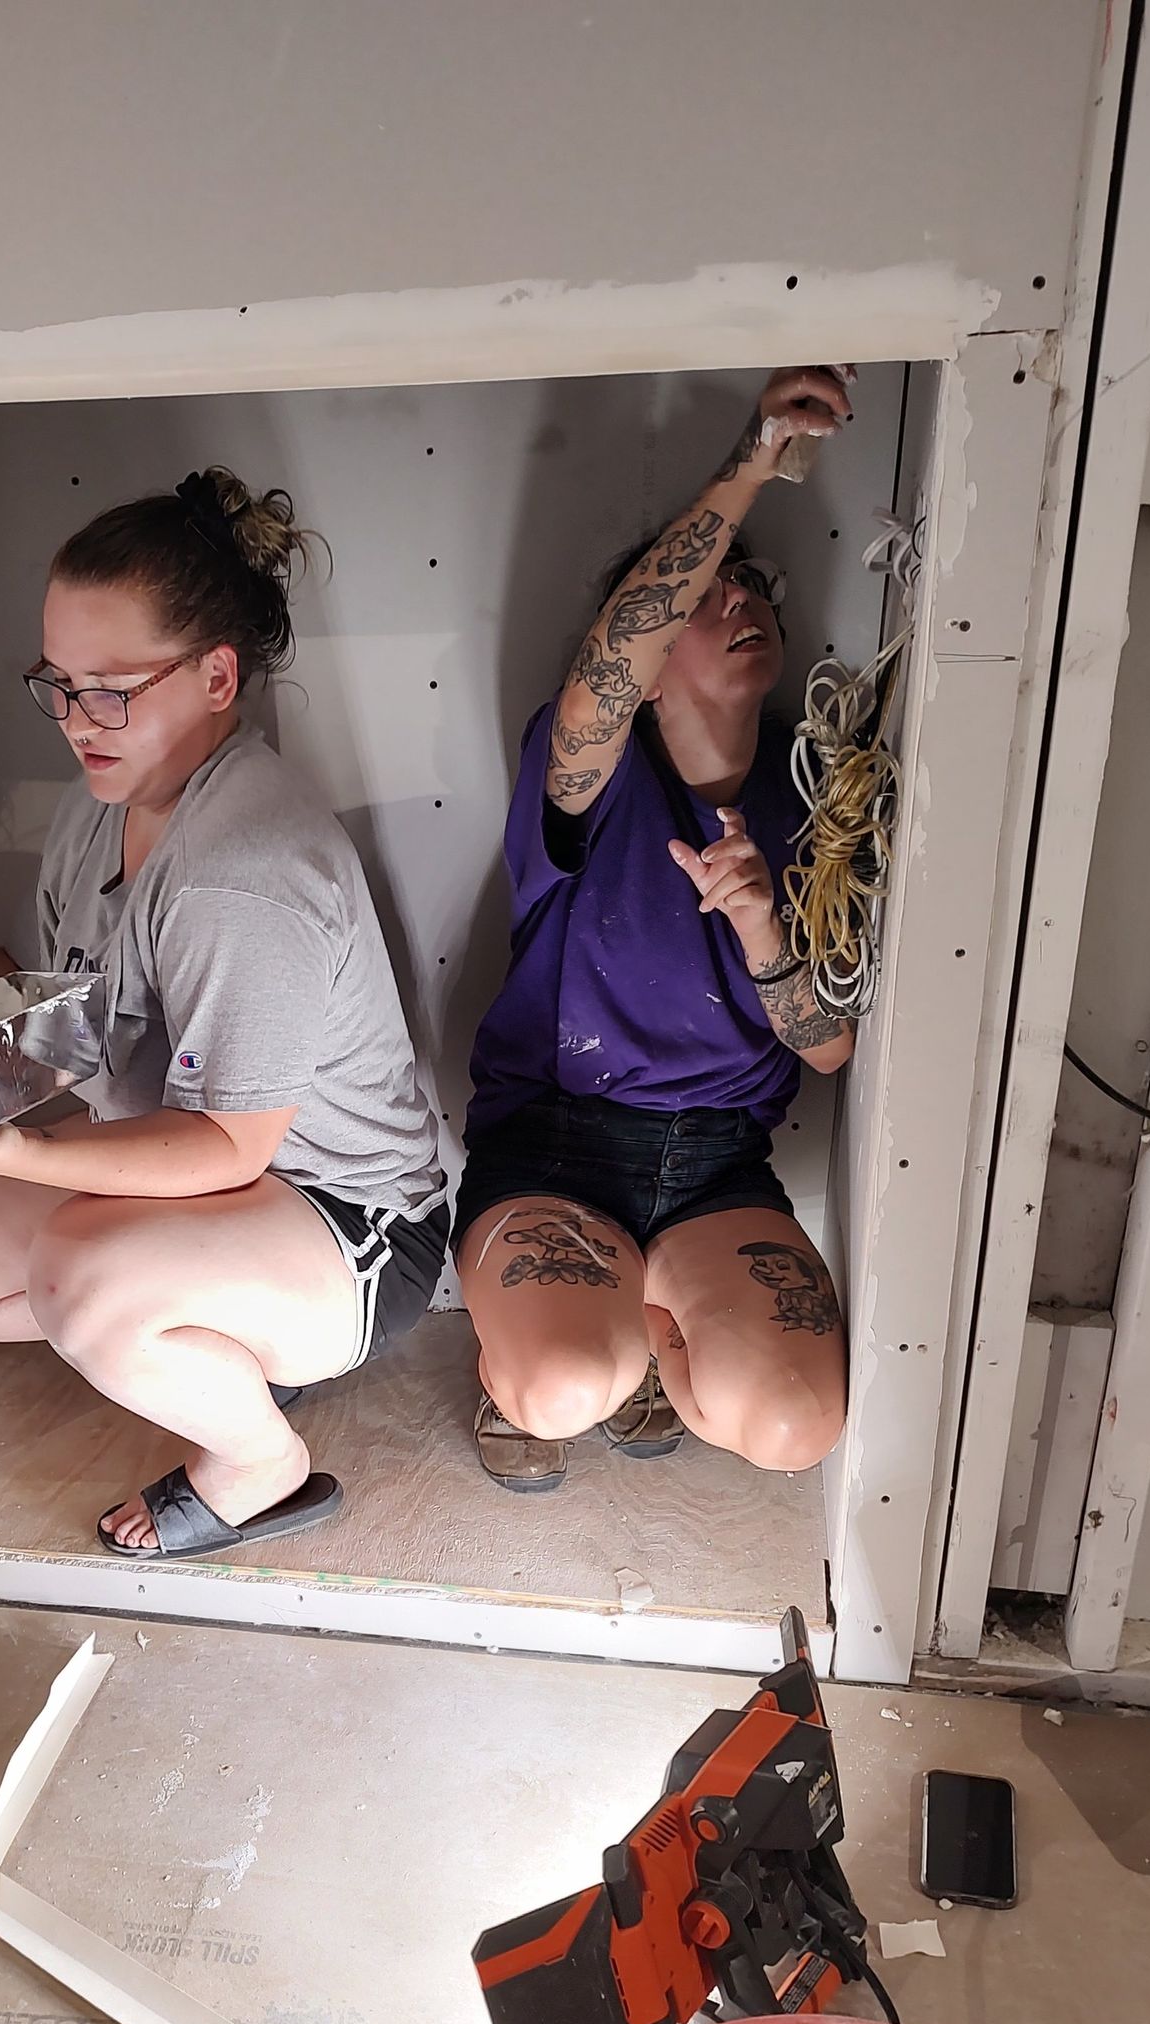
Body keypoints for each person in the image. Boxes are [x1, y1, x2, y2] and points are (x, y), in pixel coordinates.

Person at [0, 467, 448, 1557]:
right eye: (59, 683)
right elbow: (82, 1016)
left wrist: (25, 1156)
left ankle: (258, 1460)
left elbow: (229, 1146)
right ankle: (209, 1340)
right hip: (205, 1172)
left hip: (344, 1218)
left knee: (78, 1272)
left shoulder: (241, 873)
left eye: (112, 690)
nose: (77, 721)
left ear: (217, 674)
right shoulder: (103, 807)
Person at [452, 368, 857, 1493]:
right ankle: (574, 1352)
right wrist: (754, 463)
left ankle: (638, 1323)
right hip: (555, 1145)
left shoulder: (817, 799)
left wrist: (761, 921)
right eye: (706, 598)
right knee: (559, 1390)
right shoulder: (593, 771)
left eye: (754, 588)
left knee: (794, 1426)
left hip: (715, 1160)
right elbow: (600, 683)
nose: (742, 602)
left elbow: (830, 1049)